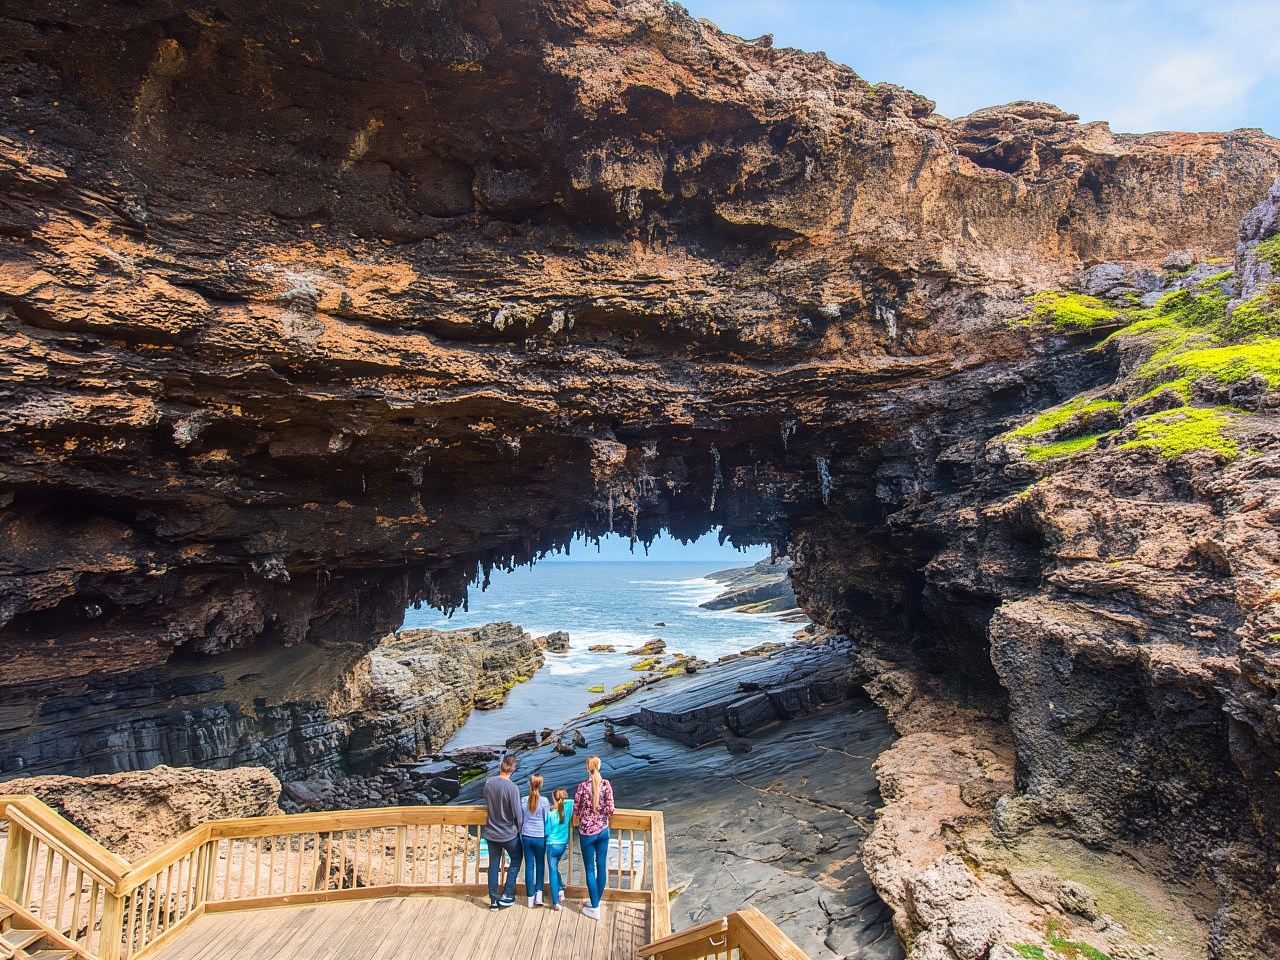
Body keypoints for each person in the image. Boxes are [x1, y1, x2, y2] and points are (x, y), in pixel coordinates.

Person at [572, 755, 614, 920]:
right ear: (600, 767)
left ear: (586, 768)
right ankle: (595, 901)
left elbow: (576, 810)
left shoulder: (582, 787)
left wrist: (584, 816)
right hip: (603, 830)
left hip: (587, 833)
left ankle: (595, 907)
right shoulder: (606, 785)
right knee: (601, 865)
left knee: (590, 869)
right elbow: (611, 810)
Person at [482, 754, 524, 910]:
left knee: (493, 864)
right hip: (508, 833)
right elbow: (518, 815)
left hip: (491, 831)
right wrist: (520, 831)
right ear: (513, 769)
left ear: (501, 766)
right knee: (516, 857)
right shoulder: (512, 788)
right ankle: (507, 892)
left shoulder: (489, 783)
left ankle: (493, 900)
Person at [520, 773, 551, 907]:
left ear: (529, 784)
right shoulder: (544, 801)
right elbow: (547, 820)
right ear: (541, 785)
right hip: (540, 836)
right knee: (540, 865)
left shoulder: (523, 800)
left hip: (526, 835)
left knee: (529, 866)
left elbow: (520, 818)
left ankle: (529, 897)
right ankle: (539, 894)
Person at [544, 787, 573, 911]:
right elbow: (569, 801)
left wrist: (551, 808)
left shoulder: (551, 814)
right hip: (562, 845)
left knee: (552, 871)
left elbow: (546, 831)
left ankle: (556, 901)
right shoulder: (569, 807)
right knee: (555, 868)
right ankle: (560, 888)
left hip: (551, 845)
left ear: (554, 799)